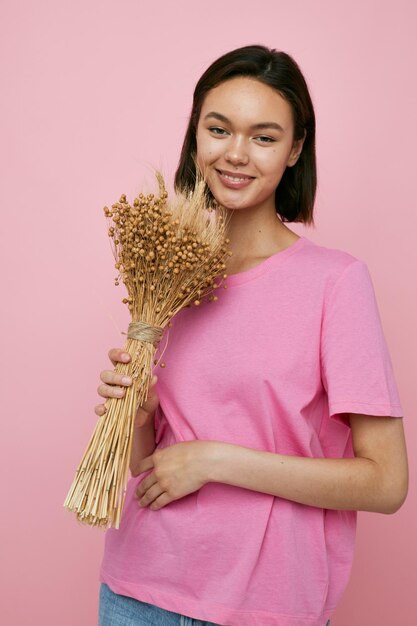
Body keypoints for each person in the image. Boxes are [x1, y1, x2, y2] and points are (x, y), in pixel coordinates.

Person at [95, 45, 408, 626]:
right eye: (219, 129)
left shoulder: (336, 282)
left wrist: (214, 460)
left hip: (268, 607)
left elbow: (386, 483)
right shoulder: (169, 274)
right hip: (137, 593)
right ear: (196, 138)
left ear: (295, 150)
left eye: (264, 137)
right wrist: (137, 418)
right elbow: (147, 466)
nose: (235, 154)